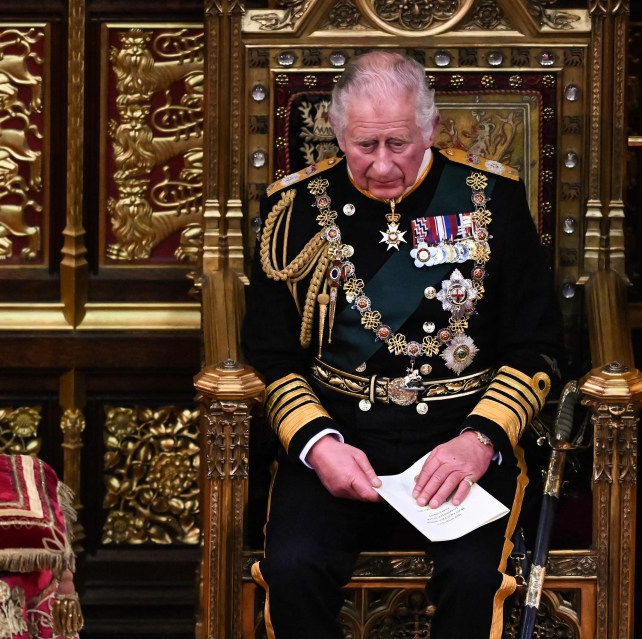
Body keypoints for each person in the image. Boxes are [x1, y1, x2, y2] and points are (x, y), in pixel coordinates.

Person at [241, 51, 564, 639]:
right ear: (338, 133)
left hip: (457, 435)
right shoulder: (292, 212)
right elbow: (271, 352)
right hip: (338, 433)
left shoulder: (491, 202)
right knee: (293, 569)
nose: (382, 165)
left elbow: (536, 345)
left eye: (399, 143)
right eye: (364, 146)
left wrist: (478, 441)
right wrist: (317, 444)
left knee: (472, 580)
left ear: (431, 129)